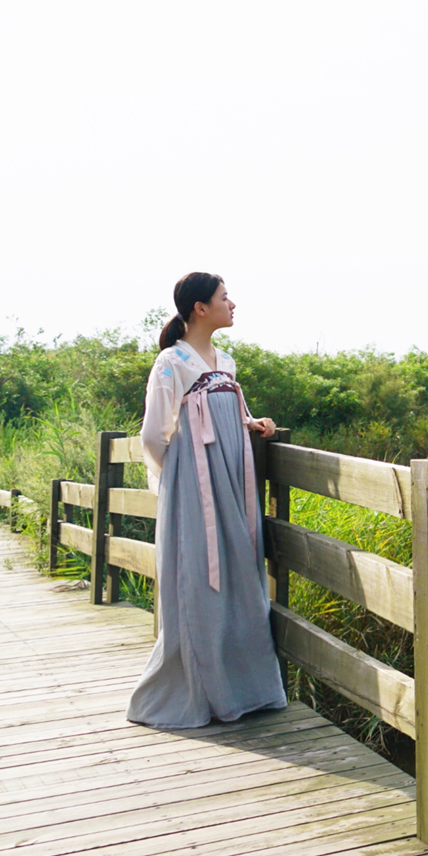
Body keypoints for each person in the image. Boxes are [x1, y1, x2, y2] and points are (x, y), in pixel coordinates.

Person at [125, 271, 288, 729]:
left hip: (233, 484)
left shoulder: (226, 361)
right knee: (200, 582)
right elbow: (154, 434)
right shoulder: (171, 363)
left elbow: (227, 415)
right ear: (200, 307)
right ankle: (199, 691)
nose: (232, 304)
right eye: (223, 297)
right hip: (193, 489)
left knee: (239, 575)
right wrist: (178, 481)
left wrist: (251, 425)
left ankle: (246, 689)